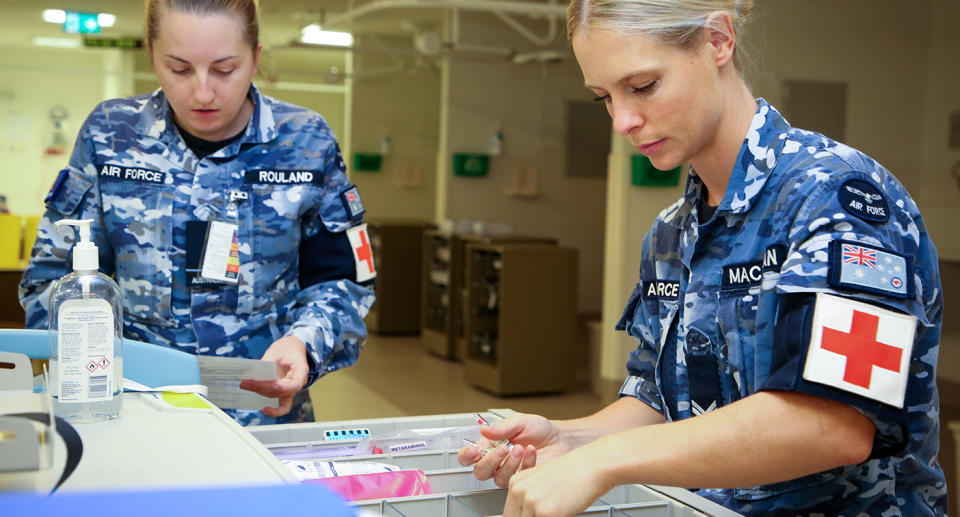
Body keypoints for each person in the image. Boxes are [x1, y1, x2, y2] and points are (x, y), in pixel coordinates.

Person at [458, 0, 945, 515]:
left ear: (718, 41)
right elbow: (658, 400)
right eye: (604, 96)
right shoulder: (672, 233)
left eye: (642, 86)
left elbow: (832, 424)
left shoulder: (837, 199)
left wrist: (605, 461)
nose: (622, 120)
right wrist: (570, 439)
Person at [19, 0, 376, 426]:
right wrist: (85, 368)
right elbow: (52, 278)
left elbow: (344, 282)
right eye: (180, 69)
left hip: (261, 415)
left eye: (225, 69)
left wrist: (303, 342)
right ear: (151, 54)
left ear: (256, 57)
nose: (203, 92)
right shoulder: (112, 135)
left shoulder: (305, 142)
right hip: (133, 412)